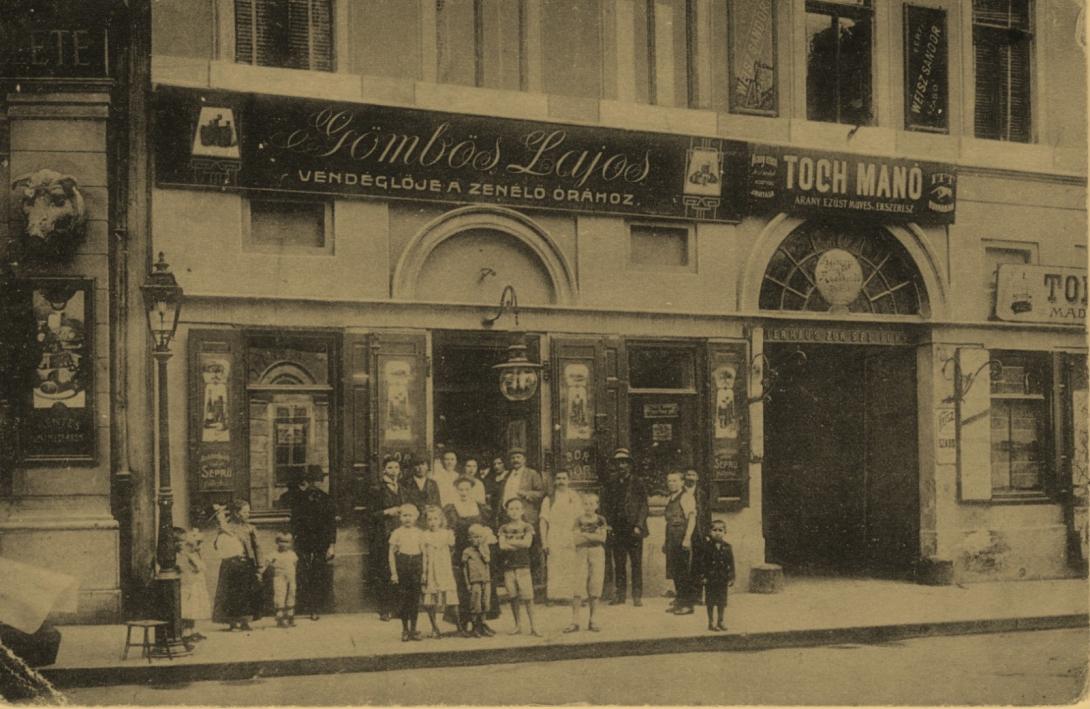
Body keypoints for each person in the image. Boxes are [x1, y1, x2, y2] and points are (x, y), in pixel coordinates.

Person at [279, 465, 336, 621]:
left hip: (321, 542)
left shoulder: (326, 499)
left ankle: (315, 608)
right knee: (302, 572)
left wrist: (331, 545)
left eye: (317, 480)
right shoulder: (297, 498)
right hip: (302, 541)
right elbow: (293, 520)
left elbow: (331, 524)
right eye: (311, 480)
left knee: (318, 573)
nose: (314, 484)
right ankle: (300, 606)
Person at [443, 476, 493, 635]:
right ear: (456, 490)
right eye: (461, 489)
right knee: (464, 587)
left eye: (467, 489)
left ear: (472, 490)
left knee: (482, 586)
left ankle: (481, 622)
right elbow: (449, 530)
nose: (464, 492)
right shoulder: (451, 508)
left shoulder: (481, 507)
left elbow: (487, 528)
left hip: (479, 553)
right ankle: (464, 623)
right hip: (461, 552)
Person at [602, 448, 649, 606]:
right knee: (619, 563)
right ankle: (620, 595)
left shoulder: (638, 482)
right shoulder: (611, 482)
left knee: (636, 563)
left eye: (624, 463)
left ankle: (637, 596)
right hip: (617, 529)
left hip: (634, 529)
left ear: (630, 465)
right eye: (618, 463)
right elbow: (605, 505)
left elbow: (644, 505)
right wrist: (608, 524)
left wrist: (639, 525)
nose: (621, 466)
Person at [212, 500, 264, 631]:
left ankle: (245, 621)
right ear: (236, 513)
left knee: (247, 593)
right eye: (245, 512)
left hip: (247, 564)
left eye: (248, 512)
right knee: (232, 594)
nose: (248, 515)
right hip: (231, 565)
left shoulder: (250, 528)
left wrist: (259, 565)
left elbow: (257, 547)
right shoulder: (227, 527)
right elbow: (218, 545)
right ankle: (233, 622)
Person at [500, 448, 546, 594]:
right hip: (510, 516)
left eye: (518, 457)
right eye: (513, 458)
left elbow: (541, 493)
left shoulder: (531, 474)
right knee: (512, 552)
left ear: (524, 459)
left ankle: (535, 585)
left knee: (531, 550)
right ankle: (514, 586)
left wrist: (525, 494)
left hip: (526, 516)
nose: (515, 460)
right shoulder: (508, 475)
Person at [565, 492, 608, 633]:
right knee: (578, 586)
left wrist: (584, 535)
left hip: (597, 553)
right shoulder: (578, 520)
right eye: (586, 504)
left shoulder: (601, 520)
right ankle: (575, 621)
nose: (588, 506)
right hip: (581, 552)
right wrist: (593, 535)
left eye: (591, 504)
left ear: (597, 505)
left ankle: (593, 620)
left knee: (595, 585)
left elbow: (602, 538)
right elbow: (576, 540)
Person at [497, 498, 540, 636]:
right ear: (507, 511)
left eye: (517, 508)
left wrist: (510, 541)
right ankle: (518, 625)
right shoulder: (503, 528)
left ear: (522, 510)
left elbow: (527, 544)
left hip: (523, 566)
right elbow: (502, 545)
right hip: (509, 566)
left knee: (528, 597)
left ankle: (534, 626)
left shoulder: (527, 527)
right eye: (511, 509)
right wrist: (518, 542)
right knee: (513, 596)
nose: (514, 511)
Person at [539, 469, 582, 603]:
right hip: (554, 535)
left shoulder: (574, 496)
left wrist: (579, 537)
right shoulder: (549, 499)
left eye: (564, 478)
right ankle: (554, 597)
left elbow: (580, 519)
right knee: (554, 565)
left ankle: (570, 596)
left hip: (570, 534)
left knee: (570, 565)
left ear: (568, 480)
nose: (561, 481)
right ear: (554, 481)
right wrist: (544, 542)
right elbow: (543, 521)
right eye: (558, 478)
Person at [370, 456, 404, 622]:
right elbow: (370, 514)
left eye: (396, 467)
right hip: (384, 534)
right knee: (385, 571)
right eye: (390, 467)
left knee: (399, 569)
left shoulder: (402, 488)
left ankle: (398, 608)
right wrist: (386, 512)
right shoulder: (377, 489)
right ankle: (384, 609)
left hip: (401, 533)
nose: (393, 471)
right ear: (384, 470)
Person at [420, 506, 459, 638]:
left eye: (435, 519)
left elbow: (452, 550)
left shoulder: (447, 534)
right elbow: (424, 555)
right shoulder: (424, 535)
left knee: (451, 598)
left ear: (441, 520)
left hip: (445, 569)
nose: (432, 522)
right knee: (431, 600)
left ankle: (459, 626)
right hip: (431, 570)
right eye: (429, 519)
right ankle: (435, 628)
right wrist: (424, 573)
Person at [388, 503, 425, 641]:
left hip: (416, 565)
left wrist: (424, 572)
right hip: (403, 565)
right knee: (403, 599)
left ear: (416, 517)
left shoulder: (420, 533)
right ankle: (405, 629)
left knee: (415, 599)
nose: (408, 518)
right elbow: (391, 554)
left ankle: (414, 629)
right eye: (404, 515)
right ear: (400, 517)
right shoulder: (397, 533)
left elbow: (424, 554)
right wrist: (394, 573)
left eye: (410, 515)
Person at [663, 471, 698, 615]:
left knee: (683, 572)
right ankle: (680, 600)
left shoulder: (686, 497)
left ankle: (688, 605)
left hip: (681, 537)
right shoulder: (671, 498)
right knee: (675, 571)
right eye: (669, 481)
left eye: (675, 481)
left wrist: (687, 538)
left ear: (682, 482)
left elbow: (692, 518)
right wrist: (666, 542)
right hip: (672, 538)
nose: (671, 483)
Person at [698, 520, 735, 632]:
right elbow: (702, 563)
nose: (717, 533)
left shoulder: (727, 547)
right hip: (710, 579)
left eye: (720, 530)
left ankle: (720, 621)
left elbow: (731, 563)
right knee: (710, 601)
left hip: (722, 579)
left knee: (722, 601)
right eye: (714, 530)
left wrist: (731, 577)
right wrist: (703, 576)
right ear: (710, 532)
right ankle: (711, 622)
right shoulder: (706, 547)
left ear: (725, 532)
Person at [461, 523, 496, 637]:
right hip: (474, 581)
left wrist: (482, 550)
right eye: (475, 537)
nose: (477, 540)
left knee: (485, 603)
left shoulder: (485, 549)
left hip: (485, 580)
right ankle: (475, 626)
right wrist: (467, 583)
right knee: (475, 604)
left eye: (480, 537)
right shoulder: (467, 551)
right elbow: (464, 568)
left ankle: (483, 624)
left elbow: (487, 560)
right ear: (469, 538)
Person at [177, 528, 210, 643]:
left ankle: (192, 630)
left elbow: (202, 567)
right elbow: (191, 568)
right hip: (188, 583)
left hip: (196, 583)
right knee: (188, 609)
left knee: (195, 608)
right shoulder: (183, 556)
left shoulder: (194, 554)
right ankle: (186, 632)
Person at [268, 532, 299, 628]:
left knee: (291, 594)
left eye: (287, 542)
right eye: (282, 542)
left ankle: (290, 617)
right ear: (277, 542)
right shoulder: (274, 554)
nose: (285, 545)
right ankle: (280, 618)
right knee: (280, 595)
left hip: (291, 577)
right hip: (279, 577)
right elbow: (269, 564)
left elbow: (295, 564)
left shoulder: (292, 554)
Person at [404, 455, 441, 522]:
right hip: (412, 520)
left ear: (427, 466)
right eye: (417, 465)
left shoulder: (432, 484)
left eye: (423, 464)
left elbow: (437, 504)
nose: (420, 468)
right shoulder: (405, 483)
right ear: (413, 467)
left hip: (429, 520)